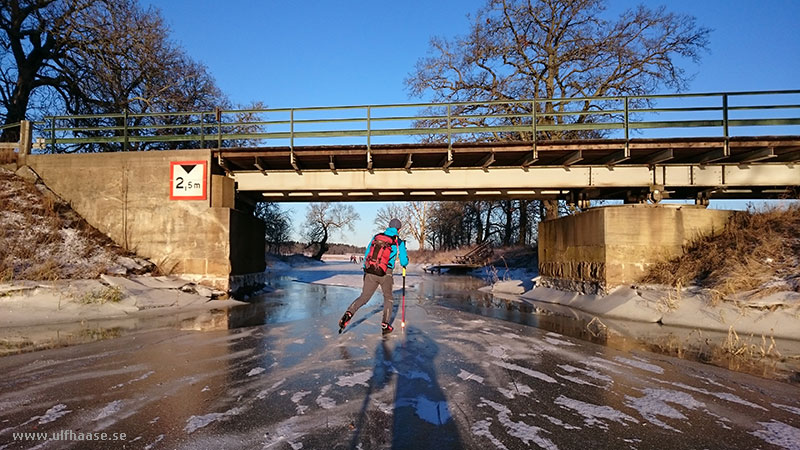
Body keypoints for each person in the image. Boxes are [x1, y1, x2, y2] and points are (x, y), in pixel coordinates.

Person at [338, 218, 409, 334]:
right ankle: (385, 324)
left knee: (364, 297)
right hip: (386, 273)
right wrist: (405, 260)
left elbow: (367, 254)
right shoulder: (398, 242)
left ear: (389, 226)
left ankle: (349, 313)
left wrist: (366, 269)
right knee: (388, 298)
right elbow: (403, 262)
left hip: (371, 271)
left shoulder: (377, 237)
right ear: (399, 229)